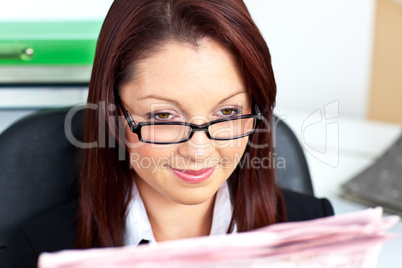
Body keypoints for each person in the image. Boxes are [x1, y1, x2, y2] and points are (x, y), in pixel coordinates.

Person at [7, 0, 333, 267]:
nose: (200, 151)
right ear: (114, 115)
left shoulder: (316, 229)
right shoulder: (40, 251)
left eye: (228, 113)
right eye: (164, 117)